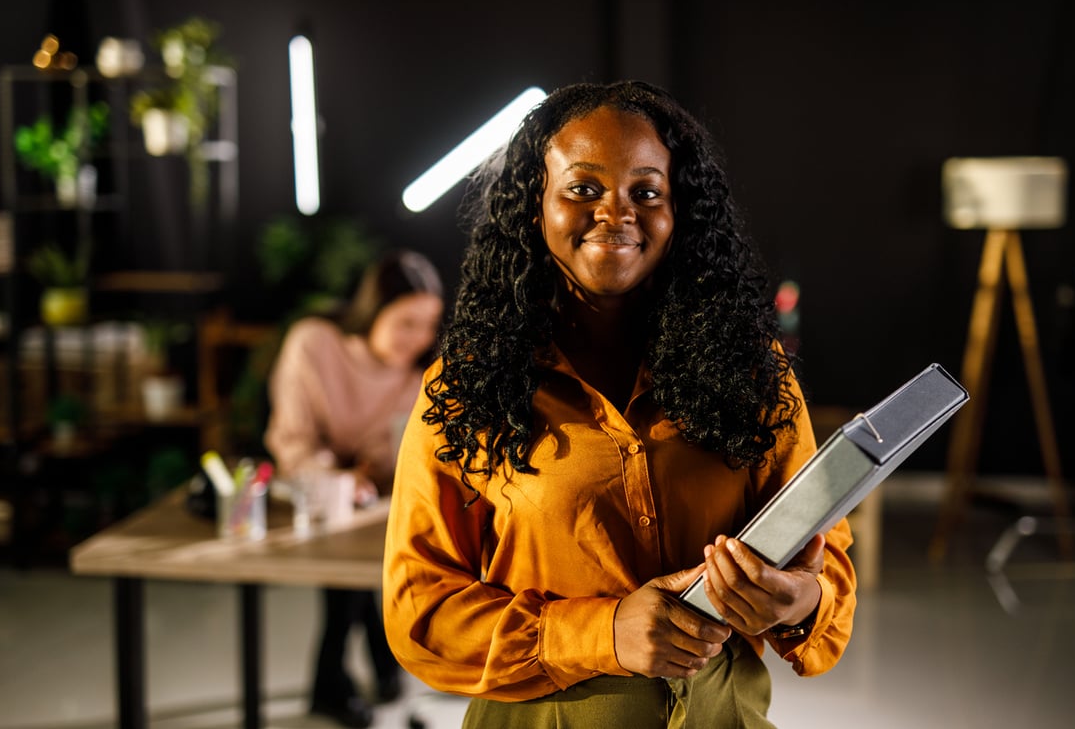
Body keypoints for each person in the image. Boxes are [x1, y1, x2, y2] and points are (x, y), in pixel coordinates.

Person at [382, 81, 857, 728]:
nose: (615, 212)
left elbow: (826, 571)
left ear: (677, 211)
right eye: (582, 188)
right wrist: (600, 632)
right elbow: (418, 612)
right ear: (533, 206)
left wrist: (797, 602)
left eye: (645, 191)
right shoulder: (467, 385)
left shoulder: (752, 372)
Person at [265, 249, 444, 728]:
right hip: (313, 492)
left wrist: (371, 474)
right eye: (405, 323)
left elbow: (409, 453)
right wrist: (337, 477)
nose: (419, 338)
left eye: (428, 324)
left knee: (373, 571)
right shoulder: (314, 344)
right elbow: (292, 440)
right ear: (372, 310)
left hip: (382, 503)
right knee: (353, 581)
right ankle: (366, 675)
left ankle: (340, 681)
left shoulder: (421, 371)